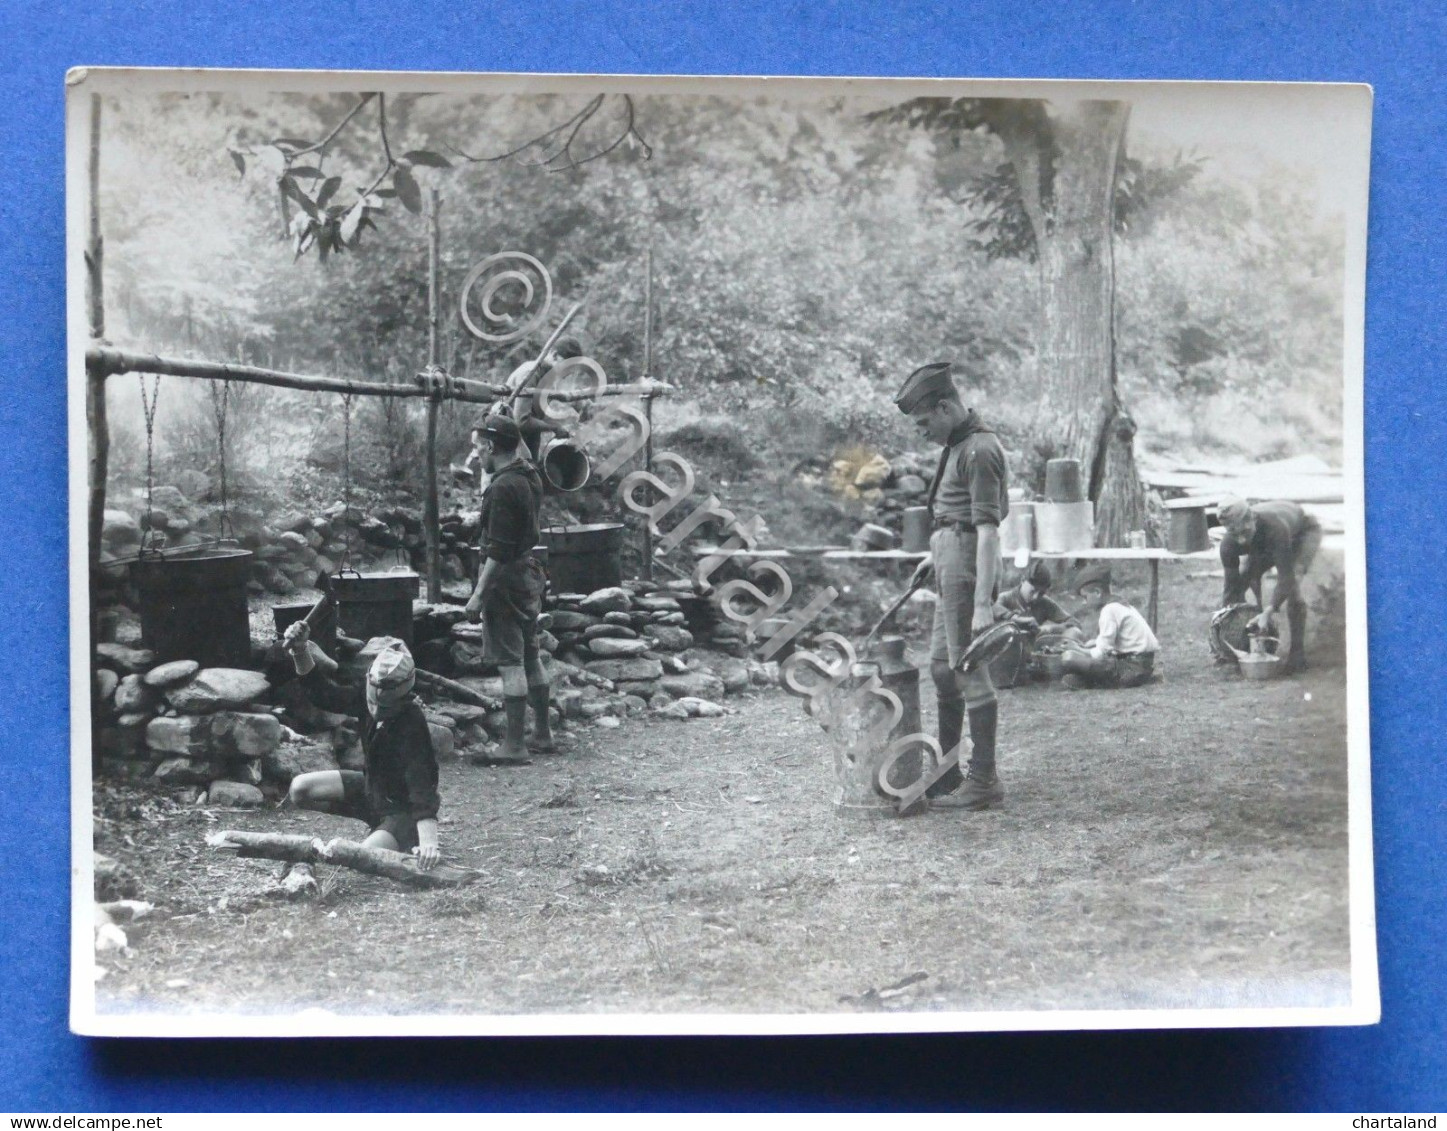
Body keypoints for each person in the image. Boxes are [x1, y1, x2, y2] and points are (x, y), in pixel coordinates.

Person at [896, 361, 1009, 810]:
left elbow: (988, 530)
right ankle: (946, 772)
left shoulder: (979, 449)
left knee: (968, 669)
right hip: (949, 558)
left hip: (966, 564)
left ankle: (984, 780)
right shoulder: (961, 443)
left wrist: (983, 603)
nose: (922, 432)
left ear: (945, 408)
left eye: (924, 422)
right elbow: (955, 512)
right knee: (942, 669)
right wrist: (934, 555)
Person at [280, 627, 442, 870]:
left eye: (384, 708)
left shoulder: (412, 723)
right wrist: (301, 650)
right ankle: (380, 830)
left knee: (358, 859)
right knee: (299, 788)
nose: (375, 711)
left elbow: (421, 784)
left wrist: (429, 841)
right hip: (371, 791)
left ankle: (402, 837)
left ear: (404, 698)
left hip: (402, 813)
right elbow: (325, 695)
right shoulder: (366, 697)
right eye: (372, 703)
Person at [464, 412, 556, 760]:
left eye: (478, 448)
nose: (477, 456)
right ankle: (542, 734)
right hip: (529, 572)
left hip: (506, 578)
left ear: (490, 446)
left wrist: (477, 596)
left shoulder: (502, 487)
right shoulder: (528, 473)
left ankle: (514, 745)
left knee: (511, 663)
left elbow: (498, 552)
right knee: (531, 655)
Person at [1217, 496, 1323, 674]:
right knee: (1244, 578)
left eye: (1244, 532)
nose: (1241, 540)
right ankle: (1245, 647)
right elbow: (1231, 591)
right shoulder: (1228, 544)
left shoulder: (1275, 528)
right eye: (1235, 534)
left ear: (1251, 517)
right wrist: (1226, 635)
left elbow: (1286, 579)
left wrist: (1268, 610)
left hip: (1302, 532)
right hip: (1263, 538)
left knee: (1293, 586)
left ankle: (1297, 654)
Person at [1059, 568, 1160, 690]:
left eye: (1085, 597)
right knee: (1082, 661)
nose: (1084, 603)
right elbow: (1116, 640)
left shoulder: (1109, 610)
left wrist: (1077, 649)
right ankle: (1085, 680)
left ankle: (1088, 681)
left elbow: (1101, 653)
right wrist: (1093, 644)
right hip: (1143, 664)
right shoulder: (1120, 604)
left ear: (1097, 593)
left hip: (1131, 668)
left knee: (1070, 658)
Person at [991, 560, 1081, 685]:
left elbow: (1074, 622)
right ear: (1023, 580)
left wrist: (1050, 629)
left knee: (1074, 632)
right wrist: (1015, 617)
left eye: (1041, 593)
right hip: (1005, 658)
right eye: (1032, 591)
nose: (1035, 597)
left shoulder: (1043, 602)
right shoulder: (1005, 598)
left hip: (1033, 656)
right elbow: (991, 608)